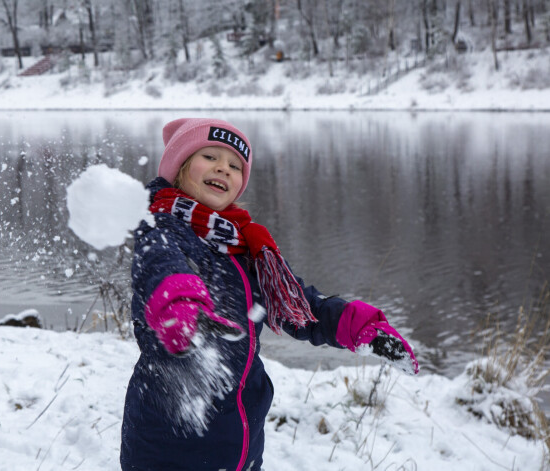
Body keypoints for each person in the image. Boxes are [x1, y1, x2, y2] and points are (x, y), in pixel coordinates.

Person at [120, 118, 419, 471]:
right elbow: (163, 266)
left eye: (235, 166)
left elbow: (301, 307)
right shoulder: (160, 225)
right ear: (180, 168)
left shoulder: (245, 246)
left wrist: (360, 327)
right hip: (170, 444)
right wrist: (182, 304)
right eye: (210, 157)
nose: (223, 169)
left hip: (239, 440)